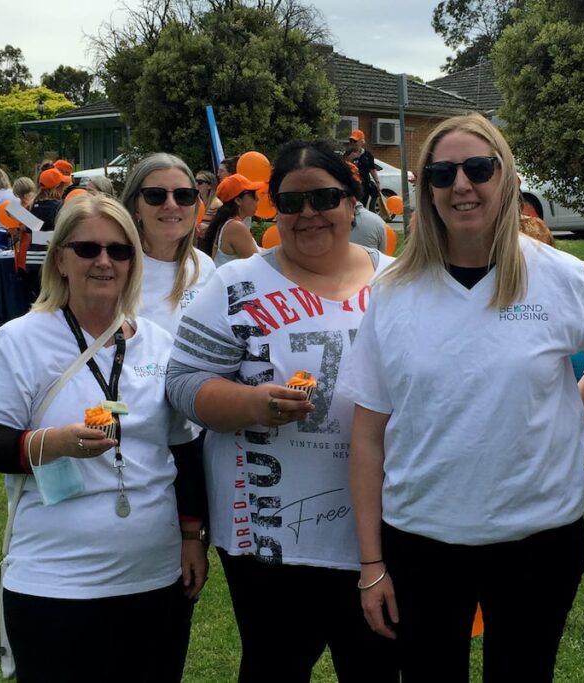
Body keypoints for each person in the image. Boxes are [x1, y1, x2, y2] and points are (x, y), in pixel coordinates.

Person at [342, 113, 584, 681]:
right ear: (425, 189)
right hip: (422, 540)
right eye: (442, 174)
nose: (461, 185)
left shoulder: (559, 276)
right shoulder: (393, 292)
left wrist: (566, 413)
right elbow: (368, 435)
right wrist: (372, 564)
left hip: (537, 539)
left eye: (478, 168)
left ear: (507, 178)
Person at [165, 139, 398, 683]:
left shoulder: (401, 281)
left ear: (352, 200)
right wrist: (251, 403)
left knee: (376, 670)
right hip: (267, 538)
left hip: (382, 531)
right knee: (273, 667)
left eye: (324, 198)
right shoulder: (236, 283)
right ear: (273, 209)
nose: (308, 215)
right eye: (291, 203)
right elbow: (182, 383)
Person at [0, 193, 205, 682]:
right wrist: (53, 443)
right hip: (55, 580)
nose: (104, 261)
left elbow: (184, 447)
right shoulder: (21, 338)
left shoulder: (158, 342)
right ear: (60, 259)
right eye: (88, 248)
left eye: (120, 250)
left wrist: (193, 535)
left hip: (155, 577)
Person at [118, 153, 216, 337]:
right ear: (136, 207)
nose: (171, 205)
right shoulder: (115, 266)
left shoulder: (204, 266)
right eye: (156, 195)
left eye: (184, 195)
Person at [203, 173, 260, 267]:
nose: (257, 198)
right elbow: (258, 266)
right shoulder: (236, 227)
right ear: (238, 200)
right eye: (253, 195)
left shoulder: (230, 224)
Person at [349, 130, 382, 213]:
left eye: (355, 141)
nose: (353, 143)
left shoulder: (367, 155)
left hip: (364, 185)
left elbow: (372, 169)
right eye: (351, 141)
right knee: (352, 206)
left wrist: (377, 182)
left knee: (361, 207)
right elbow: (342, 166)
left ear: (361, 142)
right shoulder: (348, 153)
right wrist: (349, 159)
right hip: (352, 185)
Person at [194, 170, 221, 248]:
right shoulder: (197, 202)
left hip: (209, 246)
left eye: (200, 182)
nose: (196, 185)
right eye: (195, 181)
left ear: (209, 186)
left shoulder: (216, 205)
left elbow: (219, 229)